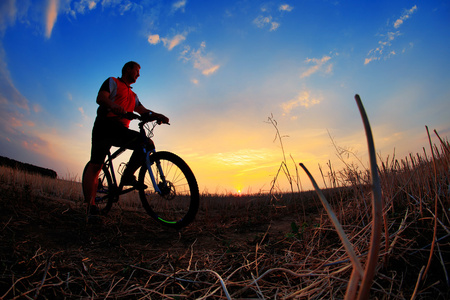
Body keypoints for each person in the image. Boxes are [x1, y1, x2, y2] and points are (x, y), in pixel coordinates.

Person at [82, 61, 169, 223]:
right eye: (137, 71)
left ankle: (128, 176)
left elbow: (143, 111)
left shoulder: (133, 95)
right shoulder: (113, 82)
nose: (138, 74)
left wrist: (158, 115)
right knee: (96, 165)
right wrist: (114, 106)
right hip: (105, 125)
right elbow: (101, 98)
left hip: (120, 130)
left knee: (147, 144)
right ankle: (91, 208)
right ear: (128, 69)